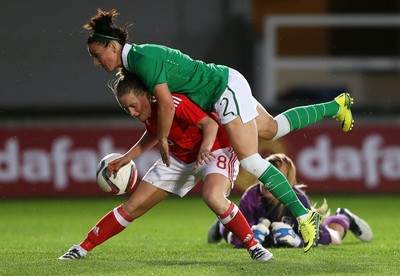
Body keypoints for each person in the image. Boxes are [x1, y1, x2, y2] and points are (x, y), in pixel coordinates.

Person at [82, 8, 355, 252]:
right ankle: (336, 106)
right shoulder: (137, 61)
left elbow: (166, 104)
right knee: (272, 128)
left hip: (222, 91)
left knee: (250, 159)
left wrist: (164, 139)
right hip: (226, 83)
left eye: (97, 55)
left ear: (113, 46)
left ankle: (304, 217)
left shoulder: (141, 61)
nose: (96, 62)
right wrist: (133, 154)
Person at [59, 72, 273, 261]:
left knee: (213, 197)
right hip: (179, 157)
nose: (132, 112)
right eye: (126, 109)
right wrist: (127, 157)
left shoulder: (172, 101)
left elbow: (210, 124)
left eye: (133, 105)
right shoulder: (146, 112)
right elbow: (154, 132)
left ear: (145, 94)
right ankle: (81, 248)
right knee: (133, 206)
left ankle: (254, 247)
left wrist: (204, 149)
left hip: (216, 148)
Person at [207, 153, 373, 248]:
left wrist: (296, 240)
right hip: (253, 226)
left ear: (287, 182)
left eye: (275, 179)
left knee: (332, 238)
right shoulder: (251, 196)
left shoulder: (298, 199)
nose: (268, 183)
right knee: (230, 232)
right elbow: (238, 240)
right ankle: (221, 224)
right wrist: (251, 236)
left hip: (289, 229)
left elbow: (313, 239)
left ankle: (344, 217)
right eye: (265, 177)